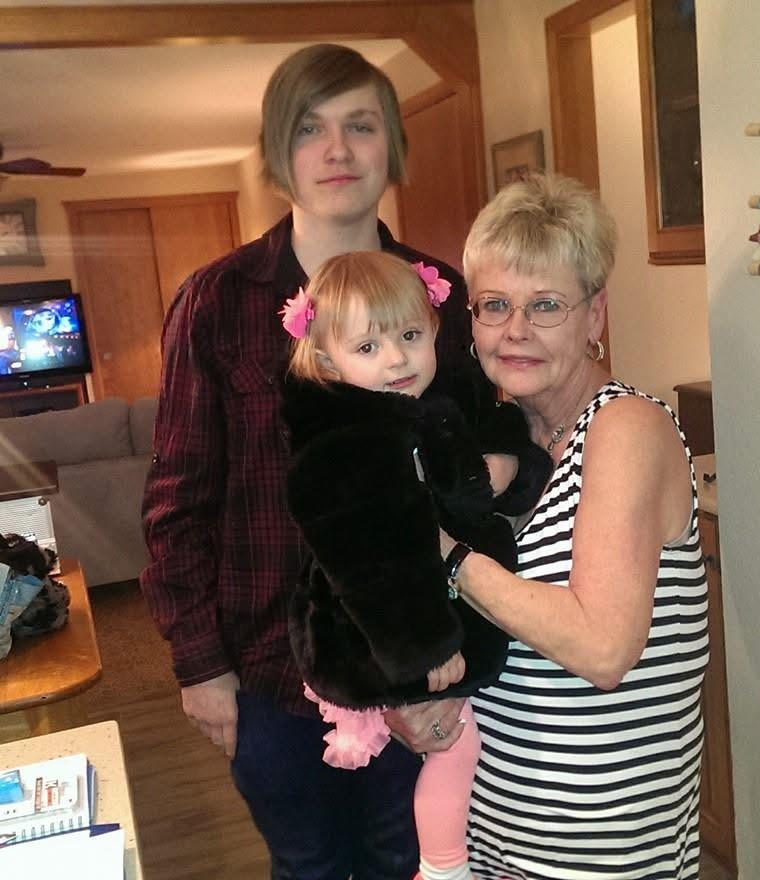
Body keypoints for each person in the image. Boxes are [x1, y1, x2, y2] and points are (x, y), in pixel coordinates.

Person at [140, 43, 482, 879]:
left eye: (360, 126)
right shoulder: (217, 301)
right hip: (267, 682)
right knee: (309, 869)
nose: (338, 151)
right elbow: (177, 501)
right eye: (310, 129)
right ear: (278, 152)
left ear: (390, 146)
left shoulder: (441, 294)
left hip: (415, 669)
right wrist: (201, 668)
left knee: (418, 867)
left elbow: (468, 472)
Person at [386, 173, 710, 879]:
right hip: (494, 828)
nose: (514, 330)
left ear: (595, 315)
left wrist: (443, 552)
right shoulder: (500, 447)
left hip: (600, 847)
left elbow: (601, 647)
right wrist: (407, 700)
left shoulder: (626, 429)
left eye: (545, 306)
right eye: (494, 305)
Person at [281, 250, 551, 880]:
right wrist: (423, 648)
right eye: (367, 348)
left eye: (408, 336)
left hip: (434, 618)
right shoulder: (348, 443)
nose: (396, 359)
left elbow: (486, 459)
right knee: (457, 749)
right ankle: (443, 866)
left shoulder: (430, 405)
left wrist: (507, 464)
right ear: (325, 359)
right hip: (384, 636)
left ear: (434, 330)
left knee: (464, 751)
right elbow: (370, 565)